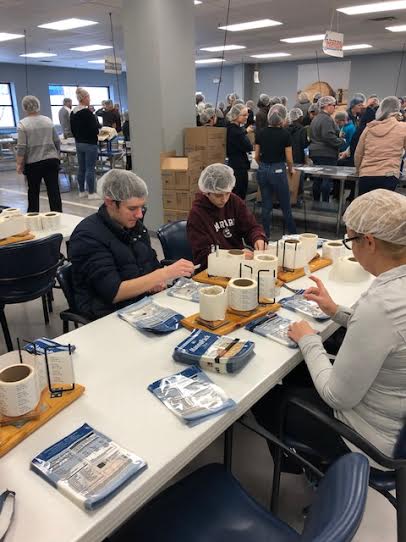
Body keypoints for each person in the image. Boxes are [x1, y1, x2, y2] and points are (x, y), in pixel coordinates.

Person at [253, 189, 406, 464]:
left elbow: (336, 396)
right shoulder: (396, 288)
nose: (351, 248)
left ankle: (312, 469)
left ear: (369, 241)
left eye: (350, 240)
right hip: (395, 418)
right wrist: (335, 311)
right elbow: (388, 334)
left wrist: (308, 338)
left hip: (372, 444)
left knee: (264, 399)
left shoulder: (383, 305)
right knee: (300, 371)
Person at [69, 170, 195, 320]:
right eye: (132, 208)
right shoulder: (87, 236)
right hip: (107, 314)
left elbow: (150, 265)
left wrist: (155, 281)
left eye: (141, 207)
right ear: (110, 202)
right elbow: (114, 293)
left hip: (141, 303)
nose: (140, 215)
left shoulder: (136, 228)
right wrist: (164, 274)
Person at [186, 164, 267, 269]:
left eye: (227, 193)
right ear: (206, 193)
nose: (224, 199)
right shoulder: (197, 214)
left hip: (239, 265)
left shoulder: (234, 201)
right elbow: (203, 256)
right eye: (218, 195)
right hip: (213, 269)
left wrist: (258, 238)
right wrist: (234, 256)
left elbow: (251, 227)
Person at [254, 104, 297, 237]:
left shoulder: (260, 133)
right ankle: (293, 235)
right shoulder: (285, 134)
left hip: (262, 170)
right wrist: (291, 169)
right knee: (285, 205)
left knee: (266, 205)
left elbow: (256, 156)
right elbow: (289, 159)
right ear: (283, 119)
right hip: (278, 170)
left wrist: (263, 166)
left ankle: (265, 234)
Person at [16, 95, 62, 213]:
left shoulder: (23, 124)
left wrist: (19, 163)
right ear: (38, 106)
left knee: (33, 192)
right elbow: (57, 141)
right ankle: (58, 215)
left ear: (24, 108)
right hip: (51, 160)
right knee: (54, 191)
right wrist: (57, 154)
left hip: (33, 163)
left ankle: (33, 215)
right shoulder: (48, 121)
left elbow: (22, 147)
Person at [355, 96, 406, 194]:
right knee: (383, 208)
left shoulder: (369, 128)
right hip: (389, 175)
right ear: (397, 110)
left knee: (366, 207)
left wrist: (358, 170)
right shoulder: (403, 128)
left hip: (366, 176)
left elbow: (358, 153)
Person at [309, 96, 344, 203]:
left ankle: (315, 202)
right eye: (334, 106)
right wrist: (341, 141)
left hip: (315, 152)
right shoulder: (327, 119)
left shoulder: (316, 118)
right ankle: (325, 203)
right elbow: (328, 136)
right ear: (327, 106)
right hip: (326, 153)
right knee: (326, 179)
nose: (335, 108)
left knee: (317, 179)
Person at [70, 87, 100, 200]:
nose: (90, 99)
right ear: (85, 98)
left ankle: (81, 191)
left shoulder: (73, 112)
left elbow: (72, 129)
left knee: (81, 168)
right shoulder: (87, 113)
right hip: (90, 143)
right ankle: (91, 193)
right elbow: (94, 129)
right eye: (89, 97)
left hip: (79, 143)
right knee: (90, 168)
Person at [226, 103, 254, 200]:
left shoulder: (232, 129)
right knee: (239, 192)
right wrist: (245, 133)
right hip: (239, 165)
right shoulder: (236, 132)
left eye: (247, 115)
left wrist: (245, 132)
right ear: (236, 115)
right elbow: (249, 146)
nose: (246, 117)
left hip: (234, 163)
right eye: (244, 115)